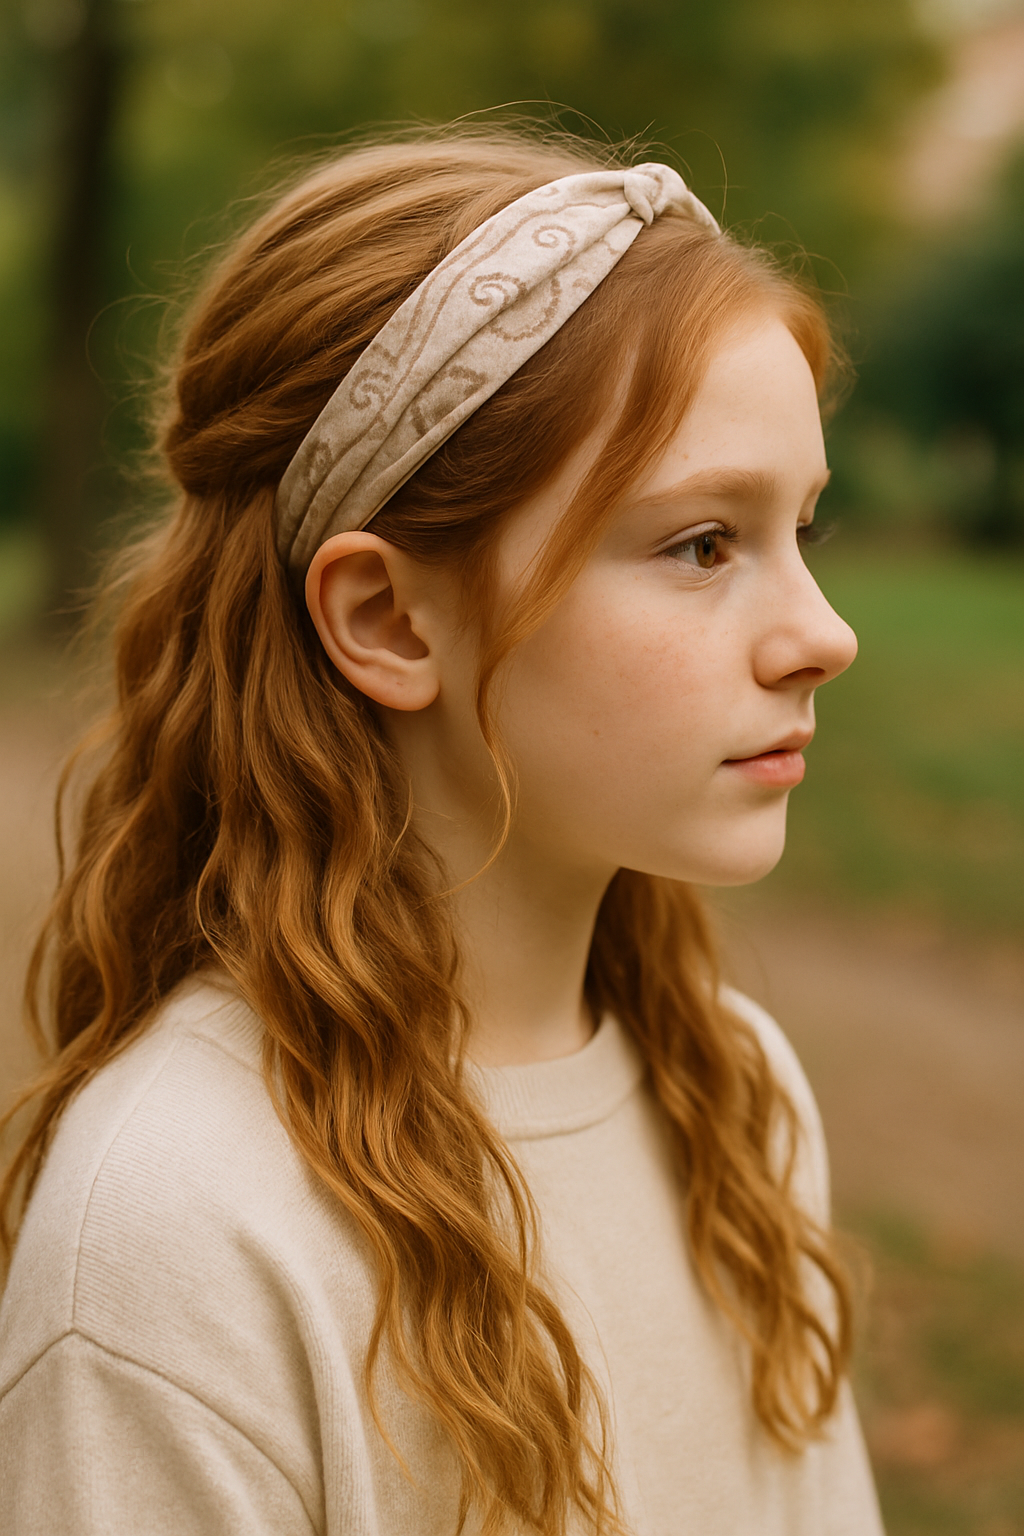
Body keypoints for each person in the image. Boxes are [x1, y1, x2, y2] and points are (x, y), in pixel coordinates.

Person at [0, 128, 884, 1536]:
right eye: (702, 544)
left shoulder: (735, 1099)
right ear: (390, 619)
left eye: (803, 533)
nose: (824, 636)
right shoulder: (181, 1234)